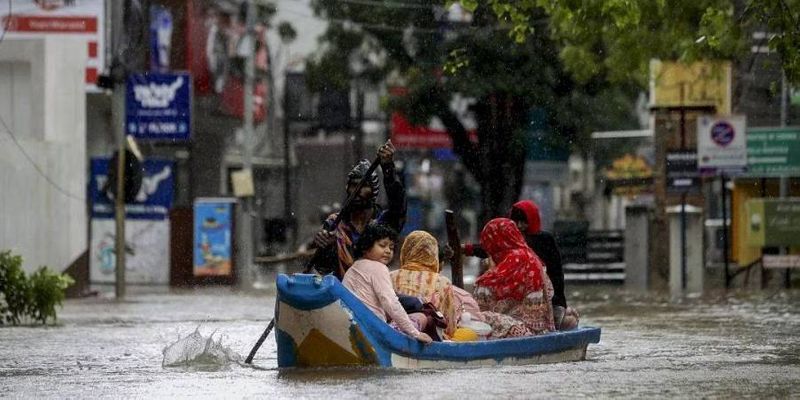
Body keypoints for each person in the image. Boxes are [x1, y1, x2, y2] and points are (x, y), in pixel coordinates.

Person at [460, 200, 578, 330]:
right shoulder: (515, 248)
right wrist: (468, 249)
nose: (520, 226)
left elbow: (556, 273)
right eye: (517, 222)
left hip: (541, 303)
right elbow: (491, 247)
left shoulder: (531, 247)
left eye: (524, 222)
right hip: (532, 305)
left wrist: (559, 302)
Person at [308, 140, 407, 279]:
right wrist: (326, 247)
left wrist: (388, 168)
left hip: (375, 292)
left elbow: (399, 206)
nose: (357, 190)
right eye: (353, 185)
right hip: (342, 293)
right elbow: (322, 269)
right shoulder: (334, 224)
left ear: (373, 191)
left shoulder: (383, 223)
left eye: (363, 186)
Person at [342, 223, 433, 344]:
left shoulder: (353, 268)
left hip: (352, 327)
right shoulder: (378, 267)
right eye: (382, 245)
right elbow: (391, 302)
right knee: (421, 317)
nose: (388, 251)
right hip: (374, 331)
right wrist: (415, 333)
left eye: (391, 247)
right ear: (366, 247)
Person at [474, 218, 556, 336]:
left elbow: (487, 288)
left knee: (477, 314)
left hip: (523, 330)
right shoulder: (530, 254)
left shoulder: (517, 258)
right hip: (542, 329)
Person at [390, 231, 459, 337]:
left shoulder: (390, 276)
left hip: (394, 335)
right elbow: (450, 328)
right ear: (433, 254)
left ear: (405, 251)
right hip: (431, 341)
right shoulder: (442, 282)